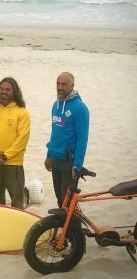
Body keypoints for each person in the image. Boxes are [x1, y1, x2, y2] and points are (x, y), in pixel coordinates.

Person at [0, 77, 30, 209]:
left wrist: (5, 156)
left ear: (15, 91)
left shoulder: (22, 112)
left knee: (17, 201)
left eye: (8, 89)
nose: (4, 92)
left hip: (13, 163)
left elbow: (22, 139)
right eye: (1, 89)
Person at [44, 72, 90, 207]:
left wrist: (77, 165)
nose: (60, 87)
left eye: (64, 84)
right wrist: (49, 155)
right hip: (55, 160)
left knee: (68, 203)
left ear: (72, 86)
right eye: (58, 84)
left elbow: (82, 139)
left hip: (69, 162)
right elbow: (55, 133)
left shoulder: (80, 108)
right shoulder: (56, 105)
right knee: (60, 200)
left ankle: (73, 222)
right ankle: (64, 222)